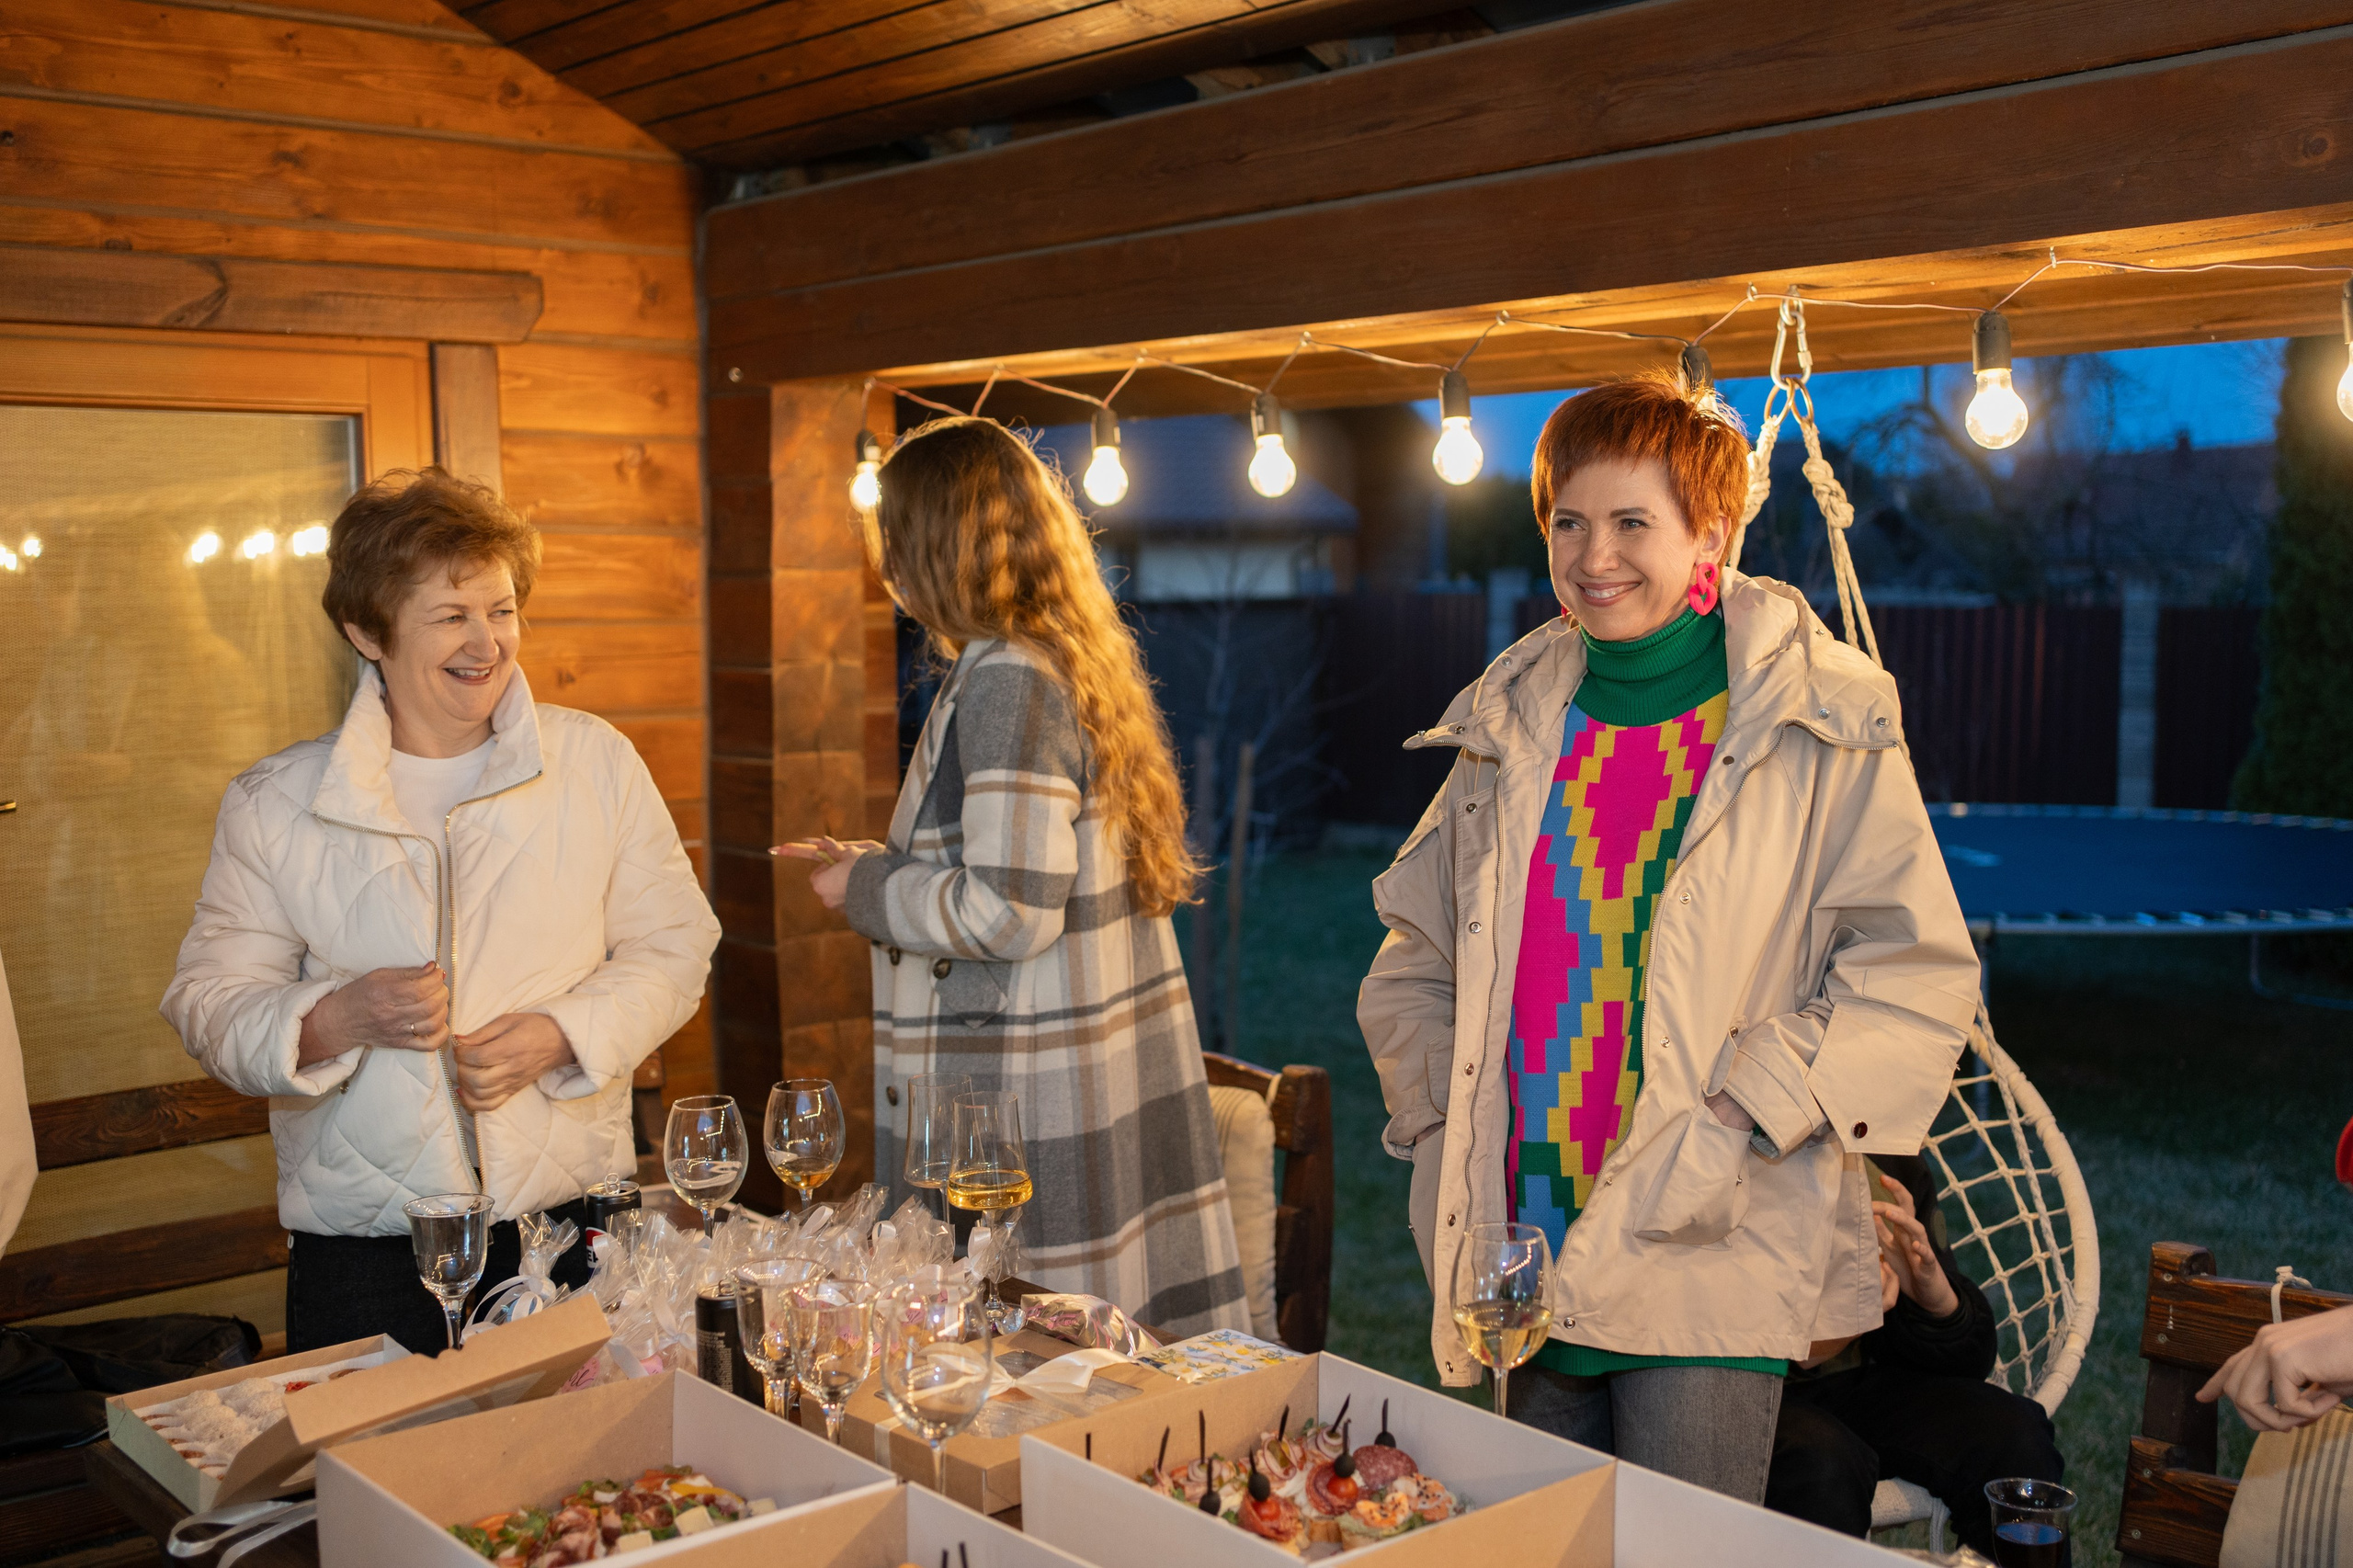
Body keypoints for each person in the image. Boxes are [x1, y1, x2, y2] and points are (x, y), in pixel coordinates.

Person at [1358, 373, 1980, 1500]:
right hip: (1521, 1229)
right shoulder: (1507, 724)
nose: (1594, 555)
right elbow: (1415, 953)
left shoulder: (1816, 722)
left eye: (1632, 521)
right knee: (1529, 1540)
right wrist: (1443, 1113)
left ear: (1714, 532)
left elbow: (1914, 972)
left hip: (1706, 1220)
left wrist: (1753, 1105)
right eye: (1569, 520)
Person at [162, 469, 719, 1353]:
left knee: (581, 1479)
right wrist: (336, 1016)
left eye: (501, 610)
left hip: (571, 1224)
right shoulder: (273, 800)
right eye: (450, 616)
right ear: (365, 631)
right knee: (382, 1482)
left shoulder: (595, 761)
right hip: (368, 1252)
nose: (486, 642)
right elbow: (208, 1000)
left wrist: (560, 1034)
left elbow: (676, 944)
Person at [778, 416, 1249, 1338]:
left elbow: (1010, 909)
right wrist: (881, 867)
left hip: (1018, 1099)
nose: (890, 573)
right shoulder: (1048, 658)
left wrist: (869, 892)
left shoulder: (1007, 679)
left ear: (934, 547)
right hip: (1058, 1072)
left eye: (896, 547)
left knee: (1035, 1364)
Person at [1767, 1154, 2064, 1553]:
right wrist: (1819, 1332)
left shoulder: (1885, 1154)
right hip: (1738, 1386)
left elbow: (1963, 1366)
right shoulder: (1731, 1133)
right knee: (1822, 1462)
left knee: (2014, 1435)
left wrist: (1935, 1300)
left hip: (1853, 1381)